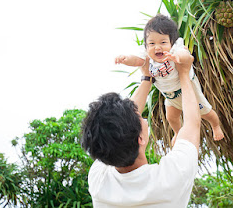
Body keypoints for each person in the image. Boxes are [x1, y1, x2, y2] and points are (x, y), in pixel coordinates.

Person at [81, 54, 201, 207]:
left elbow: (113, 130)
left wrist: (146, 78)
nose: (143, 118)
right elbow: (191, 123)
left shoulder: (99, 182)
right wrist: (184, 73)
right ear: (140, 139)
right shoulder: (171, 176)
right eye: (139, 116)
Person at [115, 14, 224, 145]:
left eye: (163, 42)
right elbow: (138, 61)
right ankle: (178, 132)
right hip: (169, 95)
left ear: (172, 42)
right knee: (171, 117)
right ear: (146, 45)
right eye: (152, 43)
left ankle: (215, 125)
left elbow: (185, 54)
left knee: (206, 113)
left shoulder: (175, 49)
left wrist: (177, 57)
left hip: (188, 90)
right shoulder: (147, 54)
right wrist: (126, 60)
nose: (157, 47)